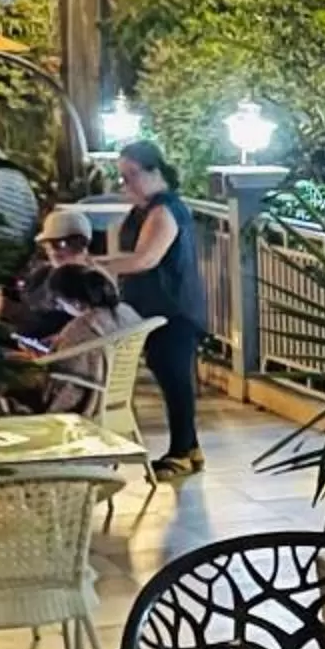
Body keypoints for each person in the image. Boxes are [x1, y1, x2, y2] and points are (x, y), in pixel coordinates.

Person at [100, 139, 208, 477]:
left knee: (175, 378)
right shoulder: (144, 210)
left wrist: (95, 265)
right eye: (122, 176)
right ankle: (189, 448)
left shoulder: (165, 210)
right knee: (169, 375)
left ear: (154, 172)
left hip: (173, 309)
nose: (125, 183)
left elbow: (146, 258)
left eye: (131, 175)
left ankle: (182, 451)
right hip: (154, 307)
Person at [28, 264, 143, 413]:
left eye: (60, 303)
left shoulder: (81, 327)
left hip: (83, 397)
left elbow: (64, 371)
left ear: (75, 303)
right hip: (113, 393)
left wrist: (43, 358)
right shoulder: (125, 312)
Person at [0, 207, 99, 341]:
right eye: (48, 245)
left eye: (61, 244)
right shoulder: (42, 274)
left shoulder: (93, 282)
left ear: (82, 246)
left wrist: (3, 307)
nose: (53, 252)